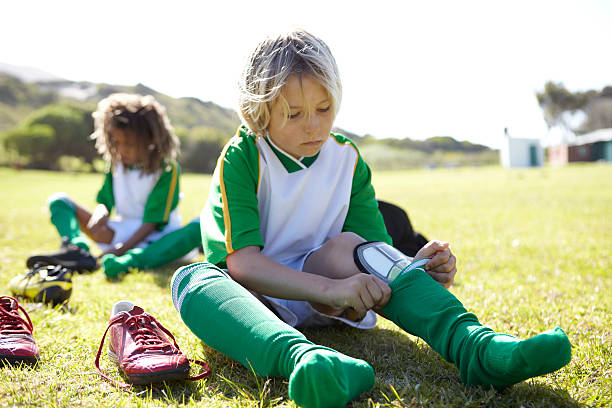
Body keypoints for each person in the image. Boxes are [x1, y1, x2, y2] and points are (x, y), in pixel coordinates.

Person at [170, 30, 571, 408]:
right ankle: (304, 362)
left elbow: (374, 253)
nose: (314, 125)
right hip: (254, 303)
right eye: (293, 114)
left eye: (324, 109)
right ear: (259, 113)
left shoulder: (347, 159)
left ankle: (475, 346)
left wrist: (417, 272)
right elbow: (243, 263)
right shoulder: (243, 157)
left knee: (359, 248)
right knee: (192, 279)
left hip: (336, 294)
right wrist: (329, 288)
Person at [30, 93, 198, 278]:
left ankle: (126, 263)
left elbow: (153, 222)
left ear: (150, 140)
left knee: (198, 227)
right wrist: (101, 213)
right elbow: (105, 201)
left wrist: (120, 250)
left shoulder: (166, 168)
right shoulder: (115, 164)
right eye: (116, 142)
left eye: (129, 144)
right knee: (59, 201)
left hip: (159, 239)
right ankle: (77, 249)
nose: (121, 150)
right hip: (122, 230)